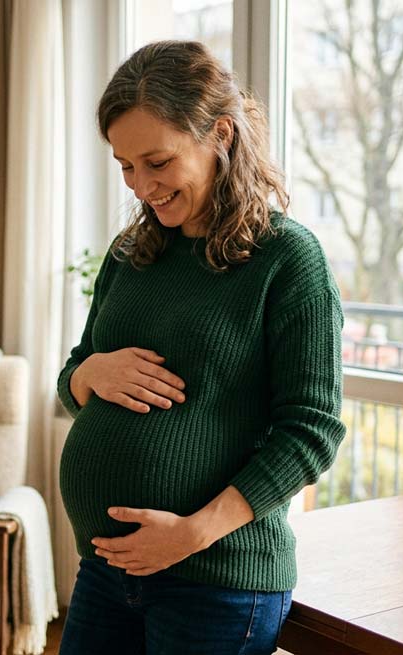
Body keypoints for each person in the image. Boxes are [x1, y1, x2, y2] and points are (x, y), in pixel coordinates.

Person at [56, 40, 346, 654]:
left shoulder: (287, 261)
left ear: (219, 134)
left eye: (157, 162)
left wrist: (192, 533)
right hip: (107, 572)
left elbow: (311, 431)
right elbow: (71, 380)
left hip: (216, 582)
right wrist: (91, 373)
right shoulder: (130, 257)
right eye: (126, 166)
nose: (141, 186)